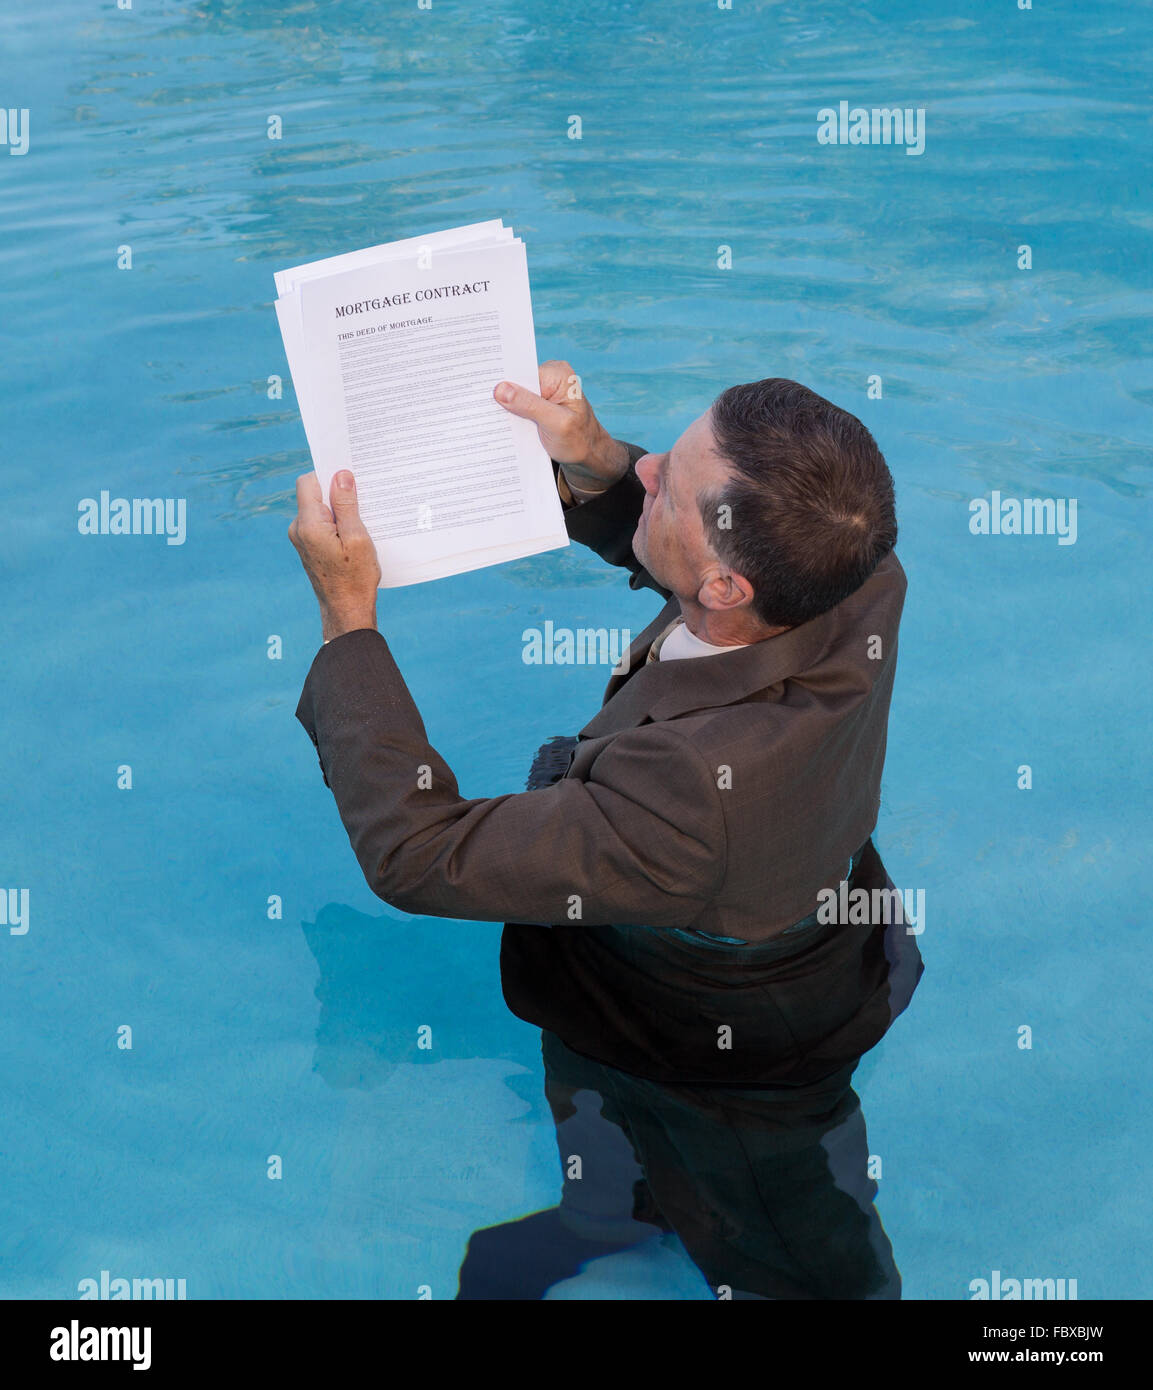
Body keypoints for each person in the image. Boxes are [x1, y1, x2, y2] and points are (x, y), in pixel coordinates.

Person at [289, 363, 924, 1299]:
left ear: (723, 586)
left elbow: (419, 854)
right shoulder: (856, 570)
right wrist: (592, 460)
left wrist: (348, 623)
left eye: (669, 478)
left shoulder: (686, 792)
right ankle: (612, 1219)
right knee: (595, 1074)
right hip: (704, 937)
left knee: (789, 1229)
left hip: (736, 1034)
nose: (651, 463)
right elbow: (692, 543)